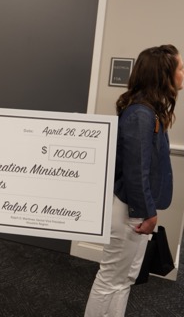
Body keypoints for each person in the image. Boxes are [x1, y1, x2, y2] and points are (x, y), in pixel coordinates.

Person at [84, 44, 183, 316]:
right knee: (110, 278)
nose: (183, 74)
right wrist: (146, 213)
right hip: (131, 210)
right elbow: (135, 170)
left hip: (135, 210)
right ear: (163, 74)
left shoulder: (149, 111)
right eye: (180, 68)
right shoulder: (141, 114)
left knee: (124, 278)